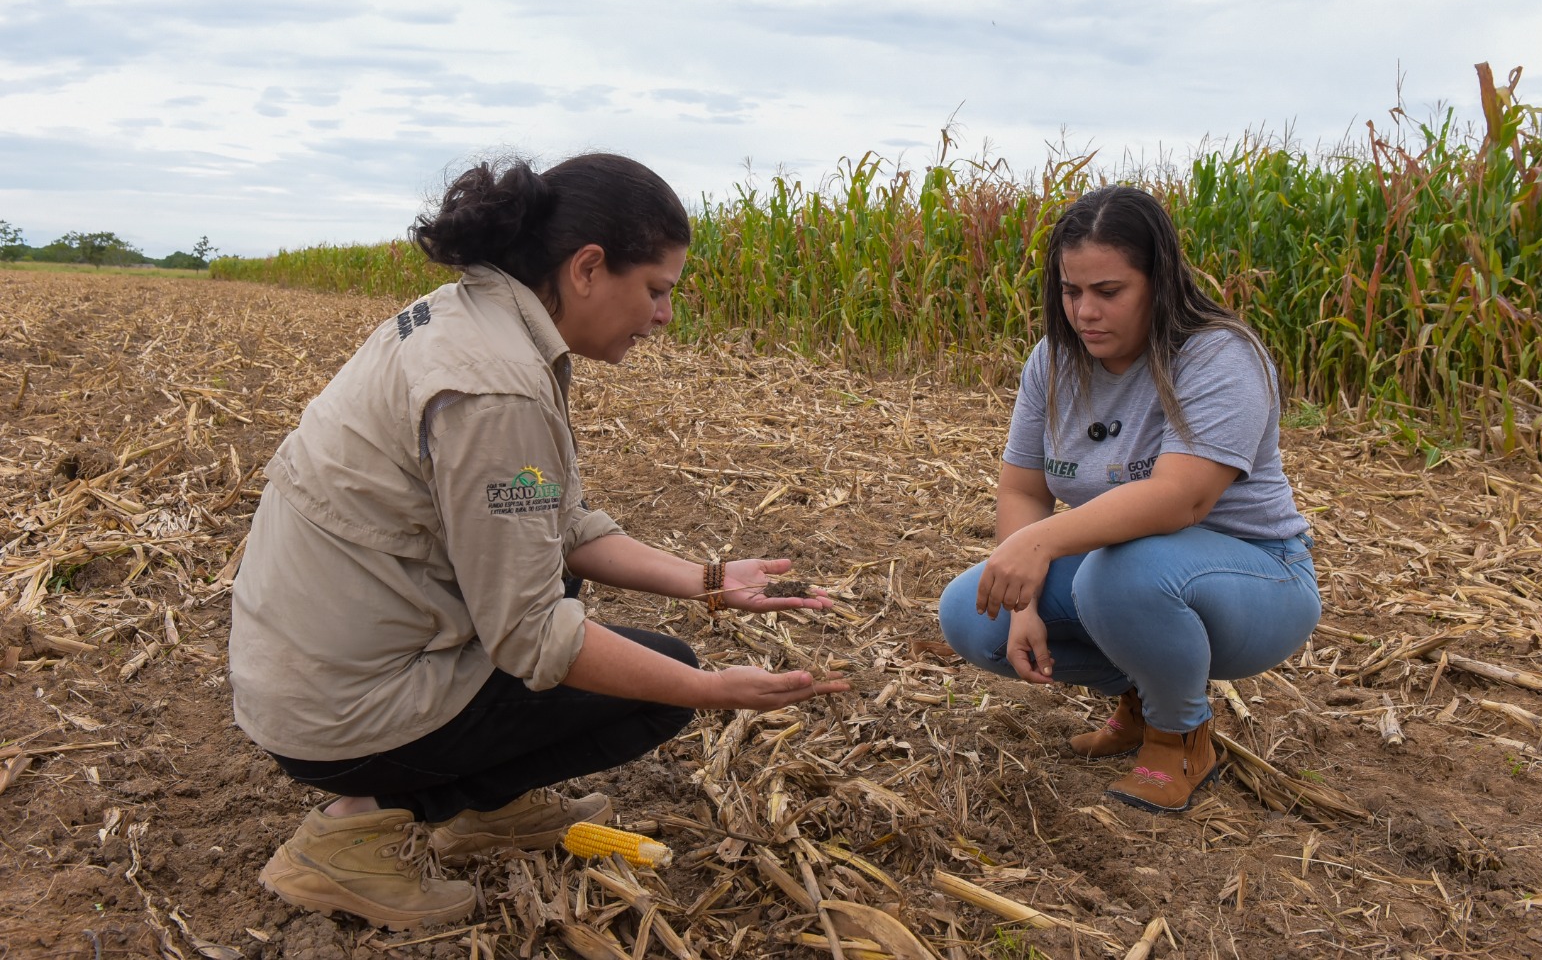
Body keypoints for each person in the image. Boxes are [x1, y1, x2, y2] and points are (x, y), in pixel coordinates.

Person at [228, 153, 849, 930]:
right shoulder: (496, 386)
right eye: (656, 290)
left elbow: (557, 525)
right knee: (652, 695)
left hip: (316, 664)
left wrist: (708, 580)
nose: (663, 316)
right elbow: (530, 633)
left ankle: (488, 806)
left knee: (566, 589)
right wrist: (710, 690)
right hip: (337, 711)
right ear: (588, 268)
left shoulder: (476, 319)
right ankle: (353, 834)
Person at [938, 185, 1320, 814]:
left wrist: (1041, 544)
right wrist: (1024, 598)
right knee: (972, 615)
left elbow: (1180, 500)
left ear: (1158, 282)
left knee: (1117, 575)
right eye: (1071, 291)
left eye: (1109, 291)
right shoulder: (1053, 362)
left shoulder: (1220, 355)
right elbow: (1024, 487)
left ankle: (1180, 735)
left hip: (1258, 578)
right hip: (1130, 576)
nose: (1084, 312)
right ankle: (1144, 697)